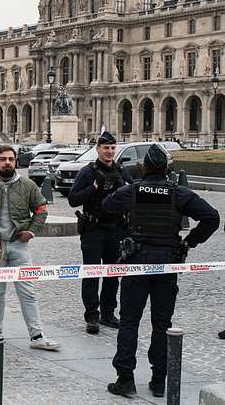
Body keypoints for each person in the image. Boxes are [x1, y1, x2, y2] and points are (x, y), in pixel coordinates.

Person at [102, 144, 220, 398]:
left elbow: (108, 206)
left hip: (137, 261)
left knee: (129, 322)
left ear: (143, 167)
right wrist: (190, 241)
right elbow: (212, 217)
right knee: (161, 323)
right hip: (167, 263)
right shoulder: (178, 193)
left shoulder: (132, 190)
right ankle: (158, 381)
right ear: (167, 169)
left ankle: (125, 379)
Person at [0, 145, 61, 351]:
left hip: (19, 246)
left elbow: (41, 210)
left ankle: (37, 336)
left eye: (11, 159)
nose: (7, 163)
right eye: (3, 159)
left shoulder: (28, 185)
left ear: (16, 161)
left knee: (27, 291)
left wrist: (31, 232)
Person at [68, 131, 128, 334]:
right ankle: (92, 315)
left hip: (115, 229)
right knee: (92, 274)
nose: (109, 152)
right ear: (98, 149)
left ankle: (108, 313)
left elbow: (132, 194)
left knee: (112, 274)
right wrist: (93, 189)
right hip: (93, 230)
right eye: (106, 148)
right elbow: (73, 199)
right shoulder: (88, 171)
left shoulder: (120, 170)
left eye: (112, 148)